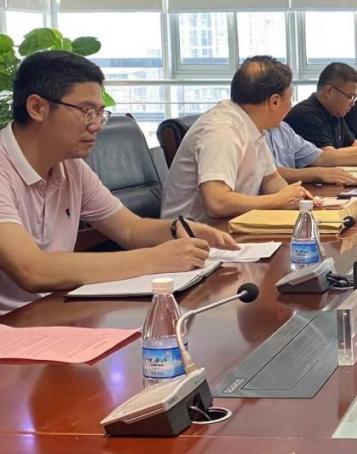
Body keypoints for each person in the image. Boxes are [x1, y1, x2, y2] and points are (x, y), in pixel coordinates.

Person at [0, 51, 238, 316]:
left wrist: (176, 230)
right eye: (86, 111)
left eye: (100, 113)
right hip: (12, 326)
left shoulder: (71, 167)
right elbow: (31, 269)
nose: (96, 126)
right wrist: (154, 259)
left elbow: (130, 229)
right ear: (37, 108)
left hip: (57, 311)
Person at [160, 56, 310, 221]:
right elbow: (217, 203)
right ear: (274, 101)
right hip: (191, 232)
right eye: (290, 99)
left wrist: (294, 198)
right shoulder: (222, 130)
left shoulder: (252, 125)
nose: (290, 105)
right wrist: (279, 200)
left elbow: (271, 179)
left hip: (227, 226)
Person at [265, 121, 357, 186]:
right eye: (289, 98)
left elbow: (320, 157)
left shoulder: (283, 128)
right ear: (275, 101)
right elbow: (268, 173)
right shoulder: (307, 115)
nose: (353, 104)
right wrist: (318, 173)